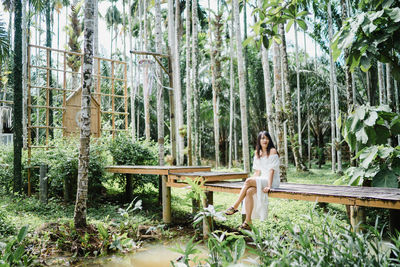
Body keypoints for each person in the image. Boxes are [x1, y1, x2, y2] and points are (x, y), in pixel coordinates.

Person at [225, 131, 280, 230]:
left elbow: (272, 170)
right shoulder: (257, 153)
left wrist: (269, 186)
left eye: (267, 138)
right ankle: (248, 221)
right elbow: (257, 172)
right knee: (249, 191)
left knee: (248, 181)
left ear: (269, 140)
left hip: (271, 181)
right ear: (259, 140)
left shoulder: (272, 151)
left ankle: (235, 206)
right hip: (262, 178)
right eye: (262, 138)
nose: (265, 140)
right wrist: (251, 180)